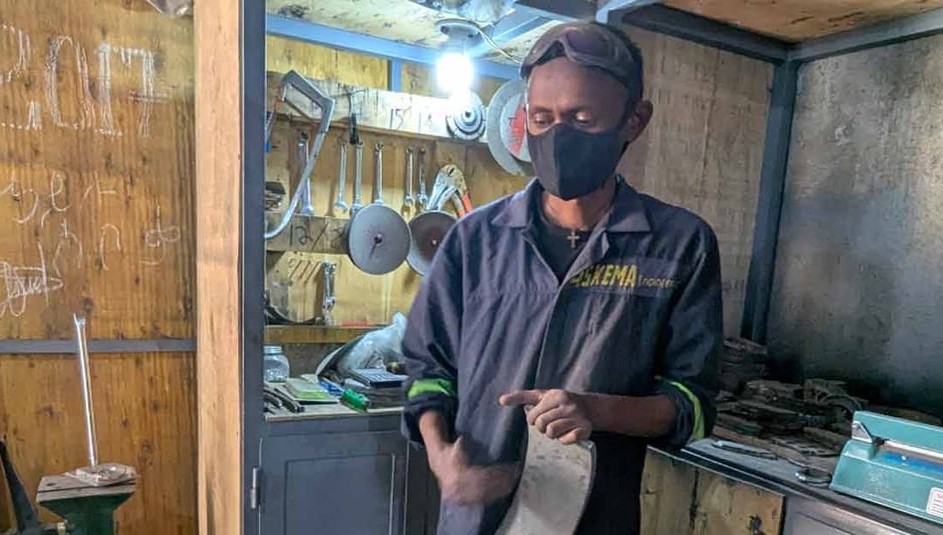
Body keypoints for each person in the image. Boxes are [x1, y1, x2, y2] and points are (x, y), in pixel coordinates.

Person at [401, 20, 722, 535]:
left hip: (596, 521)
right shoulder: (473, 241)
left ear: (634, 121)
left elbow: (693, 405)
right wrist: (443, 458)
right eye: (542, 118)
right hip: (477, 519)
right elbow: (428, 373)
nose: (557, 136)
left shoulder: (679, 246)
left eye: (581, 118)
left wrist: (597, 410)